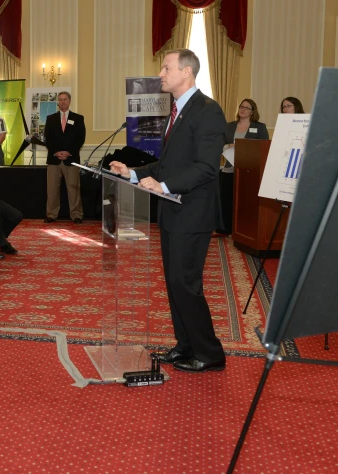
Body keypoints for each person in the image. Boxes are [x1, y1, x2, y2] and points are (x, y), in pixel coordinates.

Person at [109, 48, 226, 373]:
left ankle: (209, 353)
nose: (160, 74)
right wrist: (132, 173)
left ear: (187, 72)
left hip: (193, 213)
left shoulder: (208, 111)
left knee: (186, 283)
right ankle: (185, 346)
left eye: (166, 68)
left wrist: (164, 186)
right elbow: (167, 165)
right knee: (175, 283)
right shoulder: (176, 112)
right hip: (174, 212)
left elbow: (206, 168)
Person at [218, 99, 269, 235]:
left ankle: (244, 230)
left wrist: (243, 146)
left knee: (245, 202)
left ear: (253, 112)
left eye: (247, 107)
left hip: (249, 170)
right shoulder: (229, 126)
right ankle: (225, 228)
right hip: (229, 168)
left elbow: (264, 148)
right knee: (227, 199)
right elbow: (219, 144)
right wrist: (228, 146)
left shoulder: (259, 127)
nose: (243, 109)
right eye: (241, 106)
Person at [44, 91, 86, 224]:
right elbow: (47, 138)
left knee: (74, 189)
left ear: (69, 101)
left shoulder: (78, 118)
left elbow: (81, 139)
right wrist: (56, 152)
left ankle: (76, 215)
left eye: (65, 99)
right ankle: (51, 214)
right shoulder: (50, 118)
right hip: (54, 159)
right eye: (60, 99)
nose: (62, 102)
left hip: (71, 159)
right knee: (52, 189)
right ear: (58, 102)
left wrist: (68, 152)